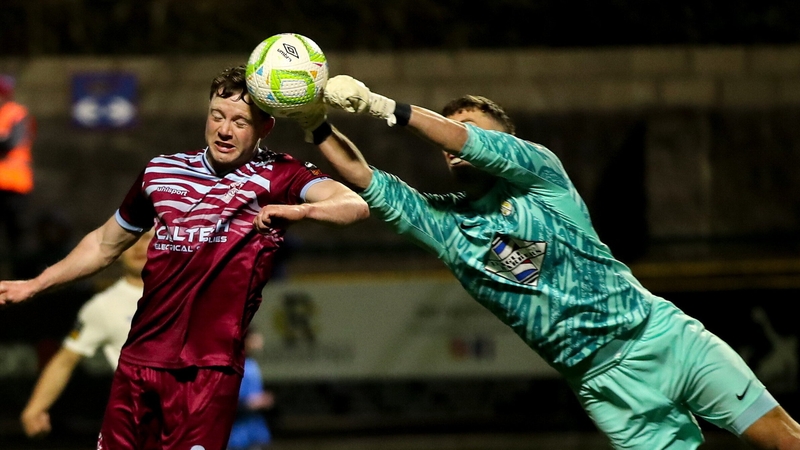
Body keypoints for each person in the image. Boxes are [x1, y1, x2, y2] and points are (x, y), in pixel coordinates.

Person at [292, 74, 800, 449]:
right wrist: (314, 122)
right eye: (447, 132)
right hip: (605, 386)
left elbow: (467, 140)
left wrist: (385, 106)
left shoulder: (542, 177)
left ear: (504, 143)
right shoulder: (447, 227)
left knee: (782, 438)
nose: (452, 140)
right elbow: (366, 178)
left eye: (464, 127)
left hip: (663, 337)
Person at [0, 65, 369, 450]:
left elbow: (352, 204)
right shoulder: (161, 171)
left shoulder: (279, 175)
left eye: (240, 121)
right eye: (217, 116)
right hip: (139, 363)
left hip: (208, 372)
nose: (224, 129)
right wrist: (35, 284)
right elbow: (104, 245)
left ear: (265, 128)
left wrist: (300, 211)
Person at [20, 231, 153, 438]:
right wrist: (35, 409)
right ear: (118, 250)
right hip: (145, 424)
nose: (137, 247)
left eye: (146, 238)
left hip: (203, 412)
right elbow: (65, 359)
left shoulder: (191, 292)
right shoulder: (103, 306)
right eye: (131, 240)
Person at [0, 74, 36, 277]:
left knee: (17, 236)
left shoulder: (17, 113)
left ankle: (21, 278)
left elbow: (10, 142)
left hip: (15, 185)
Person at [228, 329, 273, 450]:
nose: (259, 342)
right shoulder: (234, 366)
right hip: (237, 436)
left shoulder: (252, 364)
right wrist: (251, 404)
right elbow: (227, 403)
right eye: (255, 339)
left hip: (256, 434)